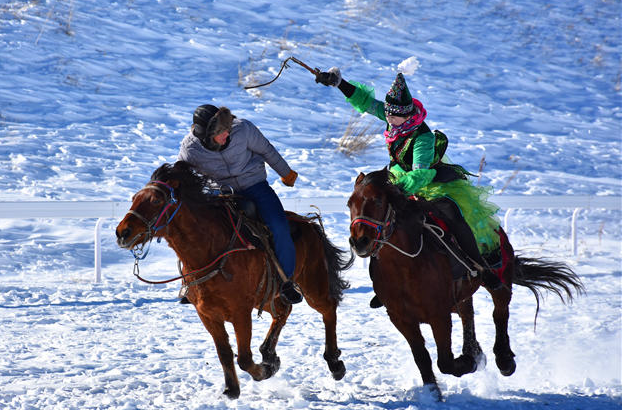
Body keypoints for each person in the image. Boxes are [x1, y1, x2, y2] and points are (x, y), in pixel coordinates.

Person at [315, 68, 503, 295]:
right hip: (396, 179)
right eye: (388, 116)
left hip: (428, 183)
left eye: (394, 117)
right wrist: (338, 83)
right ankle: (384, 285)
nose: (389, 120)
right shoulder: (393, 117)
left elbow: (421, 174)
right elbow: (365, 102)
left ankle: (479, 267)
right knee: (380, 219)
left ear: (407, 115)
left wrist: (396, 190)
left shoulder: (423, 137)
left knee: (453, 214)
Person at [177, 104, 303, 304]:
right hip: (221, 194)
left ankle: (286, 282)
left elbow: (267, 150)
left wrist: (286, 173)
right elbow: (183, 177)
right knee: (195, 230)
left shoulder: (243, 129)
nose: (227, 132)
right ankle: (190, 282)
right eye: (221, 131)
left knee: (279, 226)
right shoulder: (190, 149)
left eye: (227, 127)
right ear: (206, 135)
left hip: (255, 185)